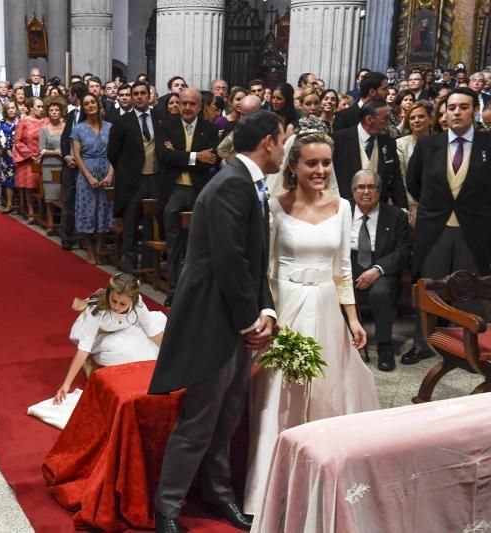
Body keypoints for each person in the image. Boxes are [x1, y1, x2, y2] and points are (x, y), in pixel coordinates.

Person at [150, 111, 282, 533]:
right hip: (213, 319)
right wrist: (250, 321)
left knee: (227, 414)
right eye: (283, 140)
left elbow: (254, 259)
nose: (285, 147)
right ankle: (167, 507)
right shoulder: (230, 185)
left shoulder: (246, 183)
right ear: (267, 143)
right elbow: (230, 262)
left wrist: (266, 310)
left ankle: (218, 492)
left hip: (235, 318)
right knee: (201, 418)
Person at [244, 131, 380, 519]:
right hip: (286, 305)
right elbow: (264, 268)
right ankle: (268, 491)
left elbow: (342, 268)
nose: (320, 171)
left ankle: (323, 486)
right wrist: (265, 315)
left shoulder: (342, 207)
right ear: (293, 166)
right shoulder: (274, 206)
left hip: (325, 306)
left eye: (326, 164)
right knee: (279, 396)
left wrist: (352, 317)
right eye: (312, 163)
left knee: (326, 392)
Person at [404, 87, 491, 364]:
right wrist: (433, 206)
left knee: (470, 288)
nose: (457, 112)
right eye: (452, 107)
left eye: (463, 107)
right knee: (430, 288)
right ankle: (422, 343)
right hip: (435, 228)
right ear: (444, 112)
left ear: (474, 111)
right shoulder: (428, 145)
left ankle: (470, 346)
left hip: (474, 229)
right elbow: (413, 181)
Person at [53, 272, 166, 404]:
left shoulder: (138, 303)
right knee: (128, 352)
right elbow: (84, 348)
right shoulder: (97, 310)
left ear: (133, 300)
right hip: (98, 336)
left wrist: (171, 357)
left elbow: (154, 332)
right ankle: (91, 360)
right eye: (114, 301)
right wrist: (66, 385)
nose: (117, 307)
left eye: (123, 304)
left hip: (122, 328)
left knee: (161, 319)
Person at [157, 88, 219, 306]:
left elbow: (211, 161)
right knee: (173, 244)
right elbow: (164, 156)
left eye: (192, 104)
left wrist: (180, 155)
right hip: (173, 190)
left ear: (200, 107)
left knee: (198, 244)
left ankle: (194, 290)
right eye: (183, 103)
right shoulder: (166, 126)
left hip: (198, 191)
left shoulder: (209, 129)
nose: (187, 108)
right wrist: (195, 156)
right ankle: (174, 290)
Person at [350, 170, 411, 370]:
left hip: (381, 267)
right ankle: (343, 344)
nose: (366, 192)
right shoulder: (342, 212)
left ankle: (385, 346)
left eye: (371, 187)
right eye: (361, 187)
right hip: (347, 266)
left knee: (381, 292)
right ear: (353, 191)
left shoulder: (395, 216)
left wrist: (377, 269)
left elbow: (403, 251)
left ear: (379, 190)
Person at [108, 81, 159, 273]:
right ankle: (129, 270)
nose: (138, 97)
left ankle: (147, 265)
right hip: (131, 182)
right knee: (130, 225)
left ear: (149, 95)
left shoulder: (160, 118)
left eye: (142, 93)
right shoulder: (122, 122)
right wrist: (125, 171)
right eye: (135, 94)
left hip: (154, 178)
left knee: (151, 223)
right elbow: (112, 152)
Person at [332, 99, 408, 207]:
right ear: (369, 119)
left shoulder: (388, 142)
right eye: (385, 118)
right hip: (345, 208)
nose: (388, 122)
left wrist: (403, 208)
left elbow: (396, 179)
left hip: (378, 209)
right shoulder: (339, 139)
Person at [71, 93, 114, 264]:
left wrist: (110, 174)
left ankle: (99, 247)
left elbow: (115, 152)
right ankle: (89, 249)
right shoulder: (78, 129)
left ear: (99, 104)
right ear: (83, 108)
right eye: (86, 103)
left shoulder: (110, 127)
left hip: (107, 171)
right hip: (86, 173)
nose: (90, 105)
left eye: (93, 102)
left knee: (104, 210)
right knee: (87, 212)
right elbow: (77, 155)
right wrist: (88, 176)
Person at [58, 82, 88, 251]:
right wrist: (66, 156)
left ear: (75, 96)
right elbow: (64, 139)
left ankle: (85, 238)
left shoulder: (90, 114)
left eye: (70, 94)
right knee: (68, 201)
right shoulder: (71, 115)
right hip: (69, 165)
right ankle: (67, 237)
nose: (69, 97)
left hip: (85, 165)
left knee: (85, 202)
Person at [396, 100, 432, 224]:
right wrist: (412, 204)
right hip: (410, 202)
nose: (416, 120)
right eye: (412, 118)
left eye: (421, 116)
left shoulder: (439, 142)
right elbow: (402, 176)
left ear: (430, 119)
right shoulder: (401, 144)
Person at [39, 96, 67, 209]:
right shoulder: (44, 129)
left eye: (57, 110)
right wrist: (54, 152)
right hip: (49, 165)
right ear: (47, 112)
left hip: (64, 165)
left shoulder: (67, 127)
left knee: (64, 195)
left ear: (61, 111)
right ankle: (50, 222)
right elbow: (41, 150)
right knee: (51, 196)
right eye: (51, 110)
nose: (54, 112)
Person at [0, 100, 19, 213]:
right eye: (8, 108)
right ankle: (10, 204)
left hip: (21, 155)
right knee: (8, 180)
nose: (11, 110)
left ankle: (21, 205)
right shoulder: (1, 123)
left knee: (20, 180)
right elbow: (2, 140)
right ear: (6, 111)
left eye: (13, 108)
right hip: (7, 155)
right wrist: (10, 154)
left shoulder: (21, 122)